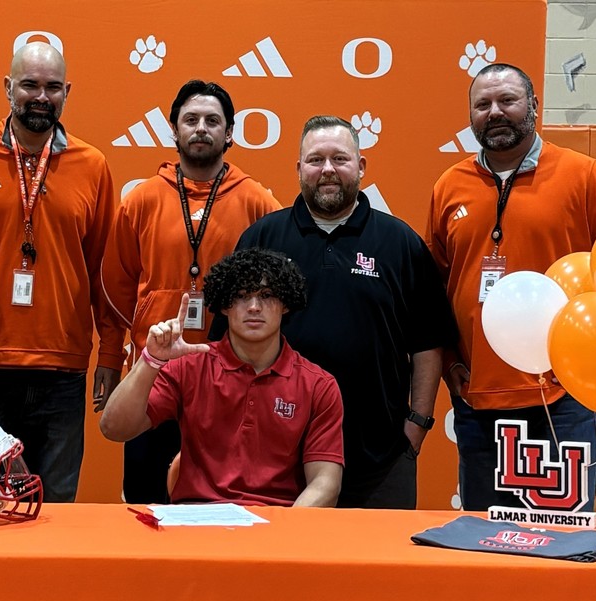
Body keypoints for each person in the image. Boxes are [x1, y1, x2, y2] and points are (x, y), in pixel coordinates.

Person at [210, 116, 455, 509]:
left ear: (361, 167)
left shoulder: (400, 242)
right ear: (298, 169)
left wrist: (417, 424)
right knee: (282, 566)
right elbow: (226, 340)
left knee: (379, 568)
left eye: (340, 159)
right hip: (272, 456)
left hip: (379, 454)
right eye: (315, 160)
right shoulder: (262, 238)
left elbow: (427, 342)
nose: (327, 170)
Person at [0, 42, 124, 502]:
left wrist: (111, 354)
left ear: (67, 92)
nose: (41, 96)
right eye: (30, 85)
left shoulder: (92, 166)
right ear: (7, 88)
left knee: (53, 505)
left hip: (63, 368)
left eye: (52, 87)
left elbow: (104, 272)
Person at [426, 63, 596, 511]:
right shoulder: (448, 186)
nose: (495, 112)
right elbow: (436, 288)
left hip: (565, 396)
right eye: (482, 105)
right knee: (485, 538)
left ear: (533, 106)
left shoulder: (584, 175)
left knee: (562, 540)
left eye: (507, 101)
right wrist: (450, 362)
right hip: (478, 396)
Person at [101, 79, 281, 504]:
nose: (201, 128)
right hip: (156, 374)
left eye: (213, 121)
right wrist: (114, 356)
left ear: (230, 133)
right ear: (173, 130)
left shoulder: (259, 202)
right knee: (147, 500)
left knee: (223, 500)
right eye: (191, 120)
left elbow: (275, 291)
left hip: (230, 382)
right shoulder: (141, 200)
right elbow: (117, 287)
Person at [101, 249, 343, 507]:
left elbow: (325, 483)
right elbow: (114, 428)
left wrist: (282, 535)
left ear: (285, 304)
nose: (254, 307)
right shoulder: (189, 368)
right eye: (241, 296)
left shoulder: (318, 384)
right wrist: (152, 359)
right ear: (225, 306)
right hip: (196, 521)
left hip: (278, 522)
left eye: (266, 295)